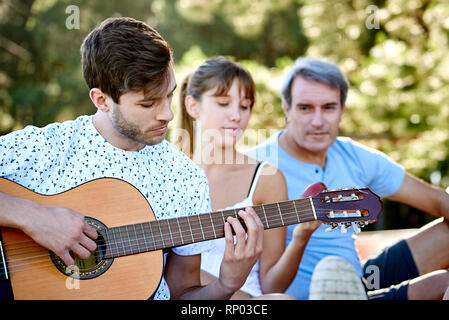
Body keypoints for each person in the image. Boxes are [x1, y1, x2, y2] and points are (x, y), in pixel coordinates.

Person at [0, 17, 264, 300]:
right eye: (148, 103)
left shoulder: (185, 177)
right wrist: (33, 217)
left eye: (169, 96)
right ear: (101, 100)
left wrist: (225, 285)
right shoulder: (45, 148)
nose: (167, 114)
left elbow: (181, 294)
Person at [246, 57, 449, 300]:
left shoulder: (354, 155)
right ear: (287, 109)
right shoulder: (256, 167)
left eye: (329, 107)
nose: (318, 121)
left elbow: (437, 200)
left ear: (342, 110)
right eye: (305, 108)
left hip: (359, 283)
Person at [174, 56, 320, 299]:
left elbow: (272, 286)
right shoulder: (165, 174)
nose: (236, 116)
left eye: (244, 106)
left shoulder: (266, 179)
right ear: (192, 106)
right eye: (223, 103)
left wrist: (301, 237)